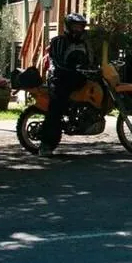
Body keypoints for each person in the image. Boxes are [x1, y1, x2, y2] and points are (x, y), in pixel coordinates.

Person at [38, 13, 95, 156]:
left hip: (78, 79)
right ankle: (45, 145)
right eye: (75, 26)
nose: (78, 30)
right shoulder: (59, 41)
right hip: (60, 79)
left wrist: (95, 68)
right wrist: (72, 70)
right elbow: (57, 63)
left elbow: (91, 60)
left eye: (80, 27)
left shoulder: (84, 43)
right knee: (56, 108)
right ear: (68, 27)